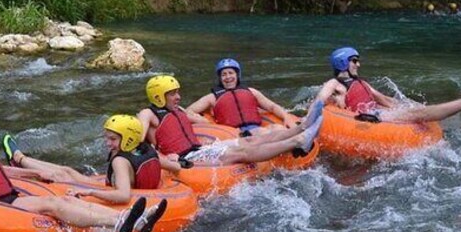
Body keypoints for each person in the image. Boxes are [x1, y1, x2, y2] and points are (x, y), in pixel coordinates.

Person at [0, 104, 165, 232]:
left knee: (65, 198)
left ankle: (132, 217)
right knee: (53, 204)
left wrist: (34, 174)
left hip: (12, 196)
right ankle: (119, 221)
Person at [137, 74, 322, 167]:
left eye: (177, 92)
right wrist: (166, 160)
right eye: (172, 94)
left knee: (249, 140)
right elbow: (138, 142)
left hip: (199, 150)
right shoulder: (147, 114)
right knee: (241, 152)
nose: (178, 97)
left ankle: (302, 128)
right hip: (184, 158)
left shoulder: (178, 110)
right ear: (158, 96)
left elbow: (193, 123)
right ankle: (298, 141)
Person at [315, 47, 461, 123]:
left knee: (420, 110)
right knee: (420, 114)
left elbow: (384, 99)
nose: (358, 64)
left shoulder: (361, 83)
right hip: (366, 120)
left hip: (376, 115)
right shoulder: (334, 84)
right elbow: (319, 101)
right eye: (354, 60)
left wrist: (407, 105)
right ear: (342, 63)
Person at [186, 58, 295, 136]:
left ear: (237, 75)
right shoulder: (212, 98)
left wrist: (286, 117)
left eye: (231, 73)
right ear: (220, 78)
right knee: (263, 133)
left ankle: (294, 142)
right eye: (224, 74)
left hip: (255, 128)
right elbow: (188, 111)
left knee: (278, 128)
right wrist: (201, 120)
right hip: (234, 134)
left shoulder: (251, 92)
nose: (228, 77)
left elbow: (272, 106)